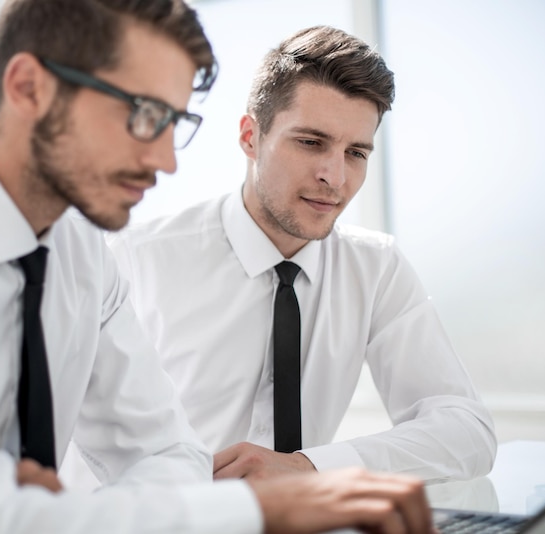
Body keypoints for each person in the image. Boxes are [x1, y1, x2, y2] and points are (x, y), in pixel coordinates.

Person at [0, 1, 436, 533]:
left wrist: (63, 518)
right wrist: (265, 510)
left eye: (174, 122)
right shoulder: (132, 255)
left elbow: (169, 453)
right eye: (142, 114)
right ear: (30, 88)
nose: (166, 161)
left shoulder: (84, 259)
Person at [108, 25, 498, 483]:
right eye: (311, 142)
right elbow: (95, 449)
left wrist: (307, 467)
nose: (335, 177)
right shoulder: (140, 261)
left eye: (356, 152)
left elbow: (467, 431)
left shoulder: (374, 269)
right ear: (250, 137)